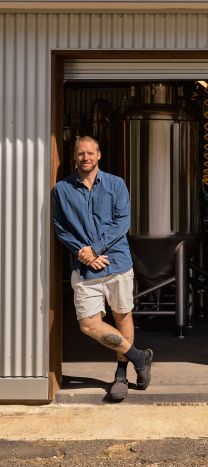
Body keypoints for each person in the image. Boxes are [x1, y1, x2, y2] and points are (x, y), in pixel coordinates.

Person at [52, 136, 152, 402]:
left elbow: (122, 222)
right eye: (80, 153)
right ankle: (138, 357)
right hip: (85, 267)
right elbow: (61, 229)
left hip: (117, 263)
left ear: (99, 155)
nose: (85, 158)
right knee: (88, 324)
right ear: (74, 156)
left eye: (90, 153)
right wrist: (83, 253)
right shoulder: (61, 190)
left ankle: (121, 375)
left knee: (122, 316)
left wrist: (95, 249)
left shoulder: (115, 184)